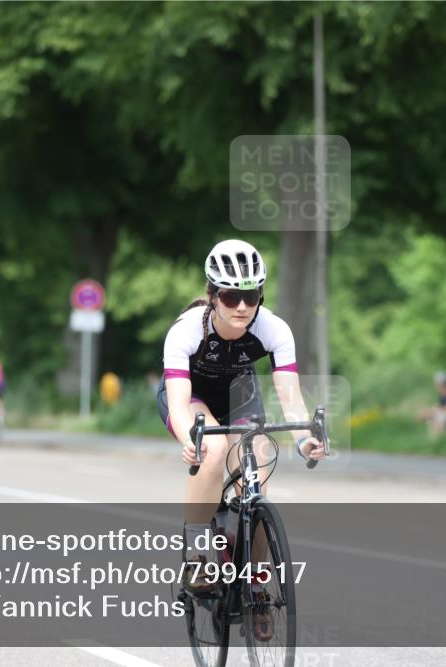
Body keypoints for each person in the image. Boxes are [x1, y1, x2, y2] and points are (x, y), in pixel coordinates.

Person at [158, 239, 326, 639]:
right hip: (192, 397)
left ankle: (255, 582)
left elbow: (290, 397)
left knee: (260, 462)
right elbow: (180, 404)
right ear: (213, 295)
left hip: (239, 395)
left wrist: (304, 440)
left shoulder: (274, 329)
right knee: (213, 450)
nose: (241, 307)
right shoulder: (185, 331)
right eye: (231, 296)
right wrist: (190, 438)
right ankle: (199, 552)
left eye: (250, 296)